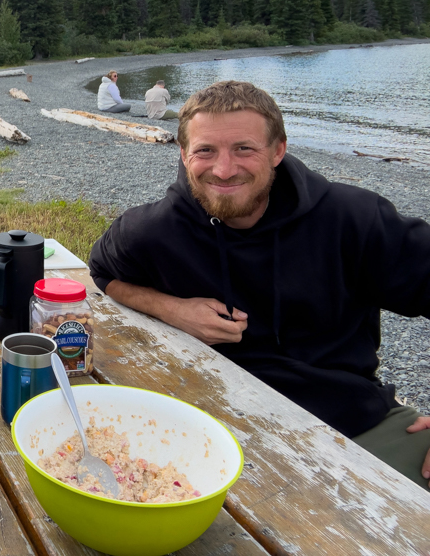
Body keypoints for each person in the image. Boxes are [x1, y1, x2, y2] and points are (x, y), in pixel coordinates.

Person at [89, 80, 430, 490]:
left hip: (349, 424)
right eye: (205, 151)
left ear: (277, 151)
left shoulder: (352, 218)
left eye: (244, 149)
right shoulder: (154, 229)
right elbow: (104, 272)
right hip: (203, 431)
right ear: (183, 154)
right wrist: (173, 309)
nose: (224, 169)